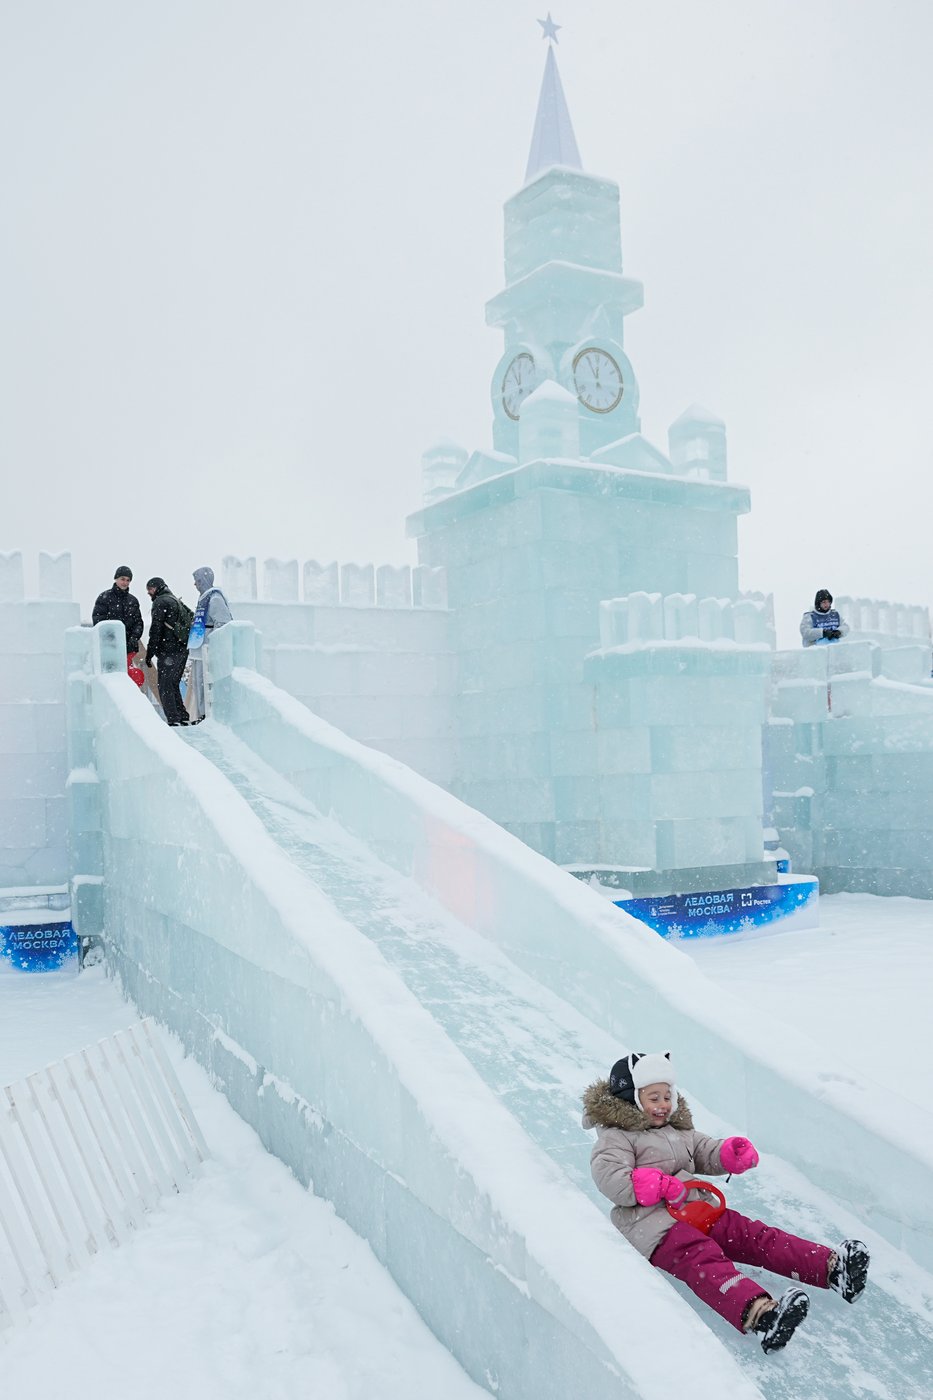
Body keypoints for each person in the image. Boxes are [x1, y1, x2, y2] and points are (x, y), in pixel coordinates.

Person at [583, 1052, 869, 1354]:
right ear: (631, 1098)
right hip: (654, 1226)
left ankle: (833, 1269)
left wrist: (728, 1155)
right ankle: (762, 1315)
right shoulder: (615, 1138)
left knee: (753, 1235)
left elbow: (704, 1149)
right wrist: (650, 1184)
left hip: (696, 1209)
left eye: (667, 1096)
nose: (664, 1104)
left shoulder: (677, 1130)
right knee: (703, 1259)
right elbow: (611, 1178)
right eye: (654, 1097)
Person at [188, 566, 233, 722]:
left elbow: (223, 623)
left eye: (198, 581)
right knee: (198, 683)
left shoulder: (215, 599)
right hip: (198, 647)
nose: (195, 584)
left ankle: (207, 715)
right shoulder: (204, 598)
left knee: (205, 683)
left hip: (207, 648)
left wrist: (213, 643)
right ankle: (201, 713)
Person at [144, 578, 190, 727]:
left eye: (150, 589)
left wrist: (150, 652)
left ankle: (173, 719)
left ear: (157, 588)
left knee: (164, 685)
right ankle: (182, 717)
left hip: (169, 650)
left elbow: (156, 630)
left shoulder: (160, 602)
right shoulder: (175, 600)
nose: (148, 592)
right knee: (173, 684)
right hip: (182, 649)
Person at [91, 566, 144, 659]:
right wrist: (111, 638)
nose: (125, 583)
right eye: (122, 579)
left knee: (129, 672)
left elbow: (138, 623)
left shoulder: (133, 600)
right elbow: (98, 620)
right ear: (116, 579)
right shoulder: (104, 597)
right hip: (109, 648)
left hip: (129, 649)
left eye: (128, 580)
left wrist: (134, 638)